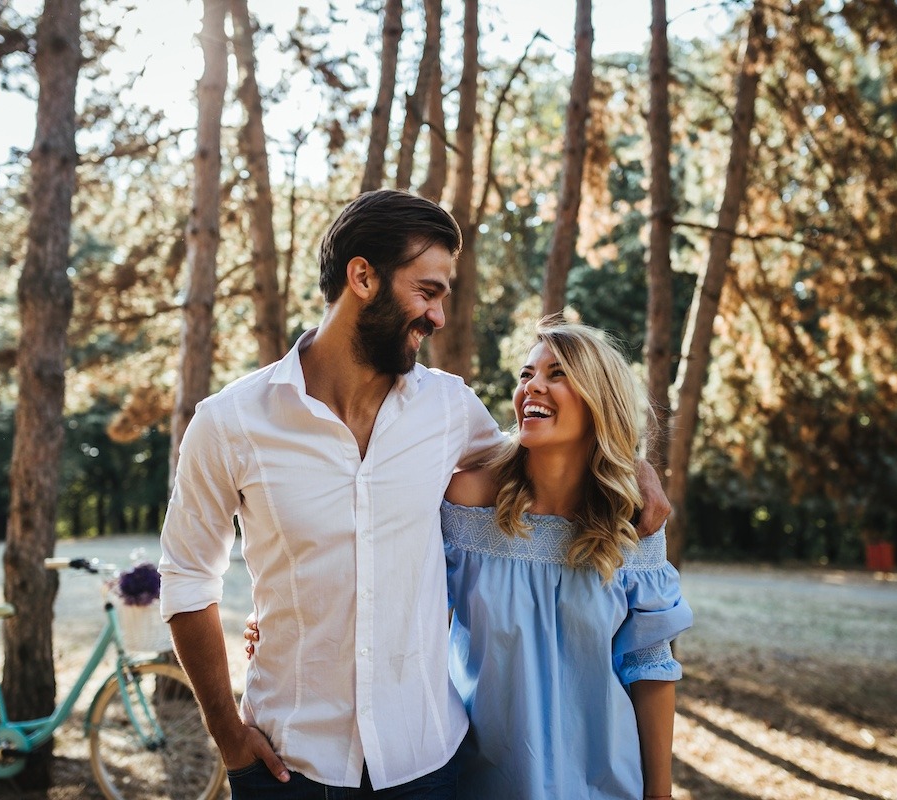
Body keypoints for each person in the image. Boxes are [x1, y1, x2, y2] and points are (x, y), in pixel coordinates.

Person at [160, 189, 671, 799]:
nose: (438, 317)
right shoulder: (231, 422)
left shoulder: (451, 409)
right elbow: (188, 576)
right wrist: (226, 733)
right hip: (287, 768)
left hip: (430, 766)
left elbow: (538, 456)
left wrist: (631, 465)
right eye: (426, 292)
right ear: (363, 278)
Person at [442, 320, 692, 800]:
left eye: (556, 373)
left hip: (603, 784)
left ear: (600, 399)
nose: (531, 385)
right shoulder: (465, 500)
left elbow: (650, 666)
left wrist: (659, 796)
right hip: (480, 782)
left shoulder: (634, 520)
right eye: (525, 375)